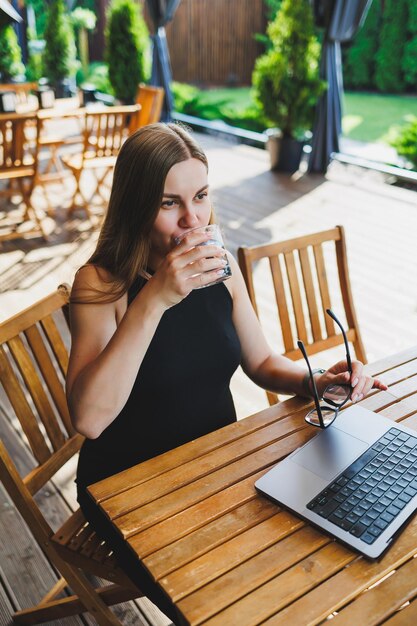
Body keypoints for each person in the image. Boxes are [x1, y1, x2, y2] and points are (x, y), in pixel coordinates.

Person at [66, 122, 387, 623]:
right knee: (229, 605)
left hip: (217, 464)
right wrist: (154, 301)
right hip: (127, 489)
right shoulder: (99, 284)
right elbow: (90, 419)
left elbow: (261, 363)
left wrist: (317, 379)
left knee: (316, 558)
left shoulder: (219, 265)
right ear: (135, 203)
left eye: (201, 196)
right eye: (169, 202)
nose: (193, 219)